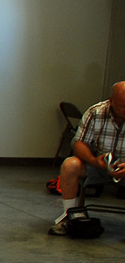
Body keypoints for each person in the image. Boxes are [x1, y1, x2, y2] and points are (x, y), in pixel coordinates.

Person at [50, 81, 125, 235]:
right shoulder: (96, 112)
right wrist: (94, 161)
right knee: (70, 165)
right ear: (111, 101)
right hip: (98, 165)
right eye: (122, 106)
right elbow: (79, 144)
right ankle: (70, 216)